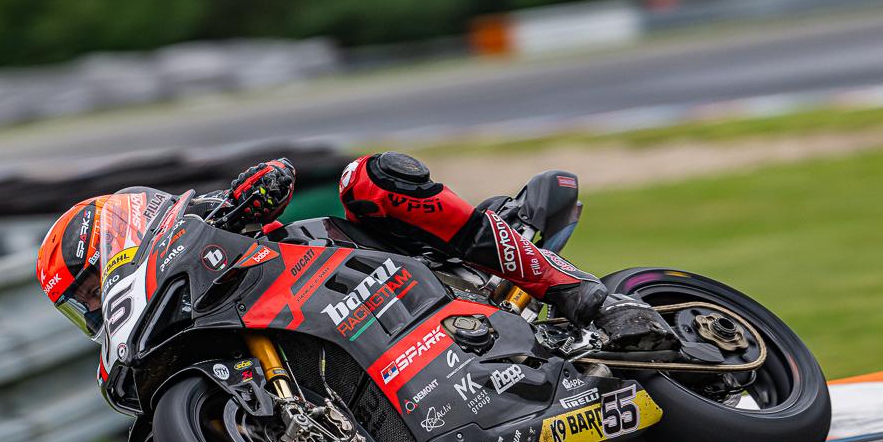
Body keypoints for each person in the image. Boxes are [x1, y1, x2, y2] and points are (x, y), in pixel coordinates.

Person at [36, 153, 672, 349]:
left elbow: (275, 178)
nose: (97, 306)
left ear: (115, 240)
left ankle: (588, 296)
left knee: (367, 178)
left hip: (384, 267)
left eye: (92, 288)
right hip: (341, 337)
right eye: (84, 306)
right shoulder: (172, 327)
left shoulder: (192, 224)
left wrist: (251, 198)